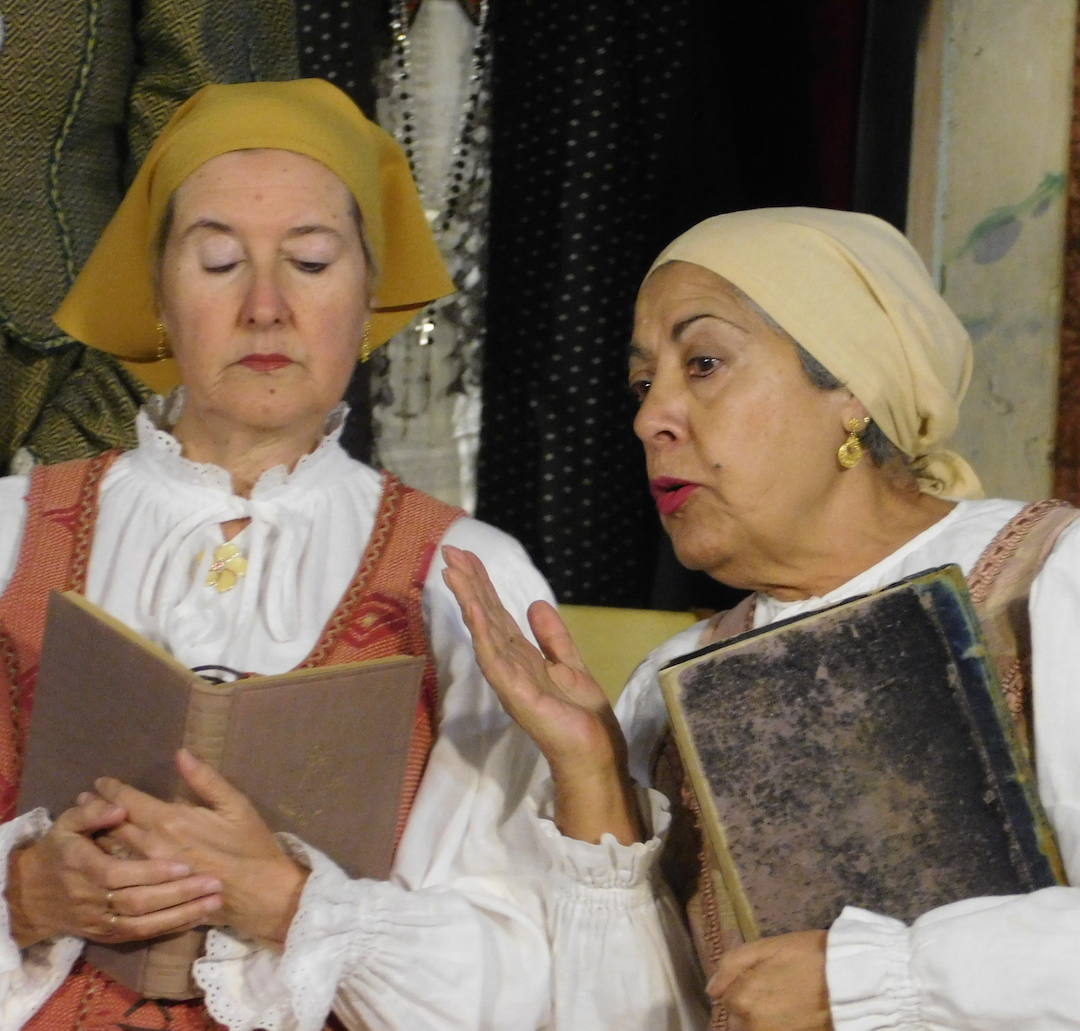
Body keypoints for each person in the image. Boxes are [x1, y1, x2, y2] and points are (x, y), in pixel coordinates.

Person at [442, 207, 1080, 1030]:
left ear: (851, 388)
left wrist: (857, 980)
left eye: (702, 363)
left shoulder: (1061, 577)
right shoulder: (668, 686)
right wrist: (594, 774)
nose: (650, 416)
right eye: (642, 381)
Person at [0, 79, 699, 1031]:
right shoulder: (9, 530)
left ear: (368, 295)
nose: (265, 307)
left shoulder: (463, 575)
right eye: (216, 261)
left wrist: (296, 905)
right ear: (157, 296)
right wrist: (24, 895)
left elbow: (531, 971)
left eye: (312, 261)